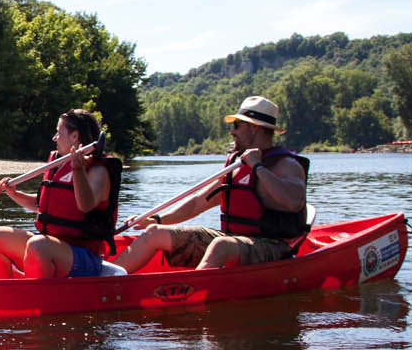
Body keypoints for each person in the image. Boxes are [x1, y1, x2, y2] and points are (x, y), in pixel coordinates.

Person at [112, 96, 309, 273]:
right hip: (233, 240)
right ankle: (106, 280)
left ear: (254, 127)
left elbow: (294, 202)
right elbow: (198, 203)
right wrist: (157, 220)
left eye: (237, 125)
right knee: (154, 234)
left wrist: (258, 166)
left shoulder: (285, 164)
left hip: (273, 247)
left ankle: (191, 296)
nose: (232, 132)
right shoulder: (236, 165)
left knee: (221, 245)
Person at [0, 109, 125, 279]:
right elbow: (41, 205)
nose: (54, 138)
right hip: (53, 246)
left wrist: (78, 170)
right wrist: (15, 194)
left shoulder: (98, 171)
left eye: (58, 132)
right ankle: (6, 296)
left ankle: (38, 300)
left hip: (84, 256)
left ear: (75, 137)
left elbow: (85, 205)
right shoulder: (58, 164)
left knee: (38, 245)